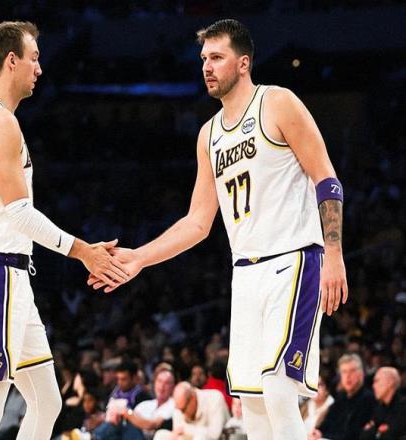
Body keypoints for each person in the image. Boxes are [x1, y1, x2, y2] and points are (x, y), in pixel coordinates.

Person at [89, 18, 347, 440]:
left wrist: (334, 255)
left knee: (278, 389)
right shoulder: (208, 135)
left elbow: (327, 180)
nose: (207, 67)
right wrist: (139, 258)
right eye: (203, 59)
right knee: (253, 405)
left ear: (243, 63)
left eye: (217, 57)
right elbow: (197, 222)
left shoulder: (278, 102)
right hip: (245, 273)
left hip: (294, 259)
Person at [0, 21, 128, 439]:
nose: (39, 68)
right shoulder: (0, 123)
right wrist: (82, 250)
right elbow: (19, 213)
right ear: (11, 61)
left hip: (3, 274)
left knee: (47, 401)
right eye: (34, 58)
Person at [310, 354, 375, 440]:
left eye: (352, 371)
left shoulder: (368, 399)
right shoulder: (341, 397)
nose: (348, 376)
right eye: (344, 372)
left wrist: (323, 435)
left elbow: (352, 434)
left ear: (361, 374)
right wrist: (319, 432)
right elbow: (327, 422)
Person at [153, 381, 230, 440]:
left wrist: (185, 429)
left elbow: (214, 434)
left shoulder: (215, 398)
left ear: (192, 398)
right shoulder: (179, 406)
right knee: (160, 435)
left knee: (200, 438)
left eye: (183, 409)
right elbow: (178, 433)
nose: (182, 413)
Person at [360, 367, 406, 440]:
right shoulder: (379, 408)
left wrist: (375, 431)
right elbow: (364, 436)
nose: (373, 386)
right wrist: (379, 431)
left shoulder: (403, 407)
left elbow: (392, 435)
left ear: (390, 382)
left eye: (377, 381)